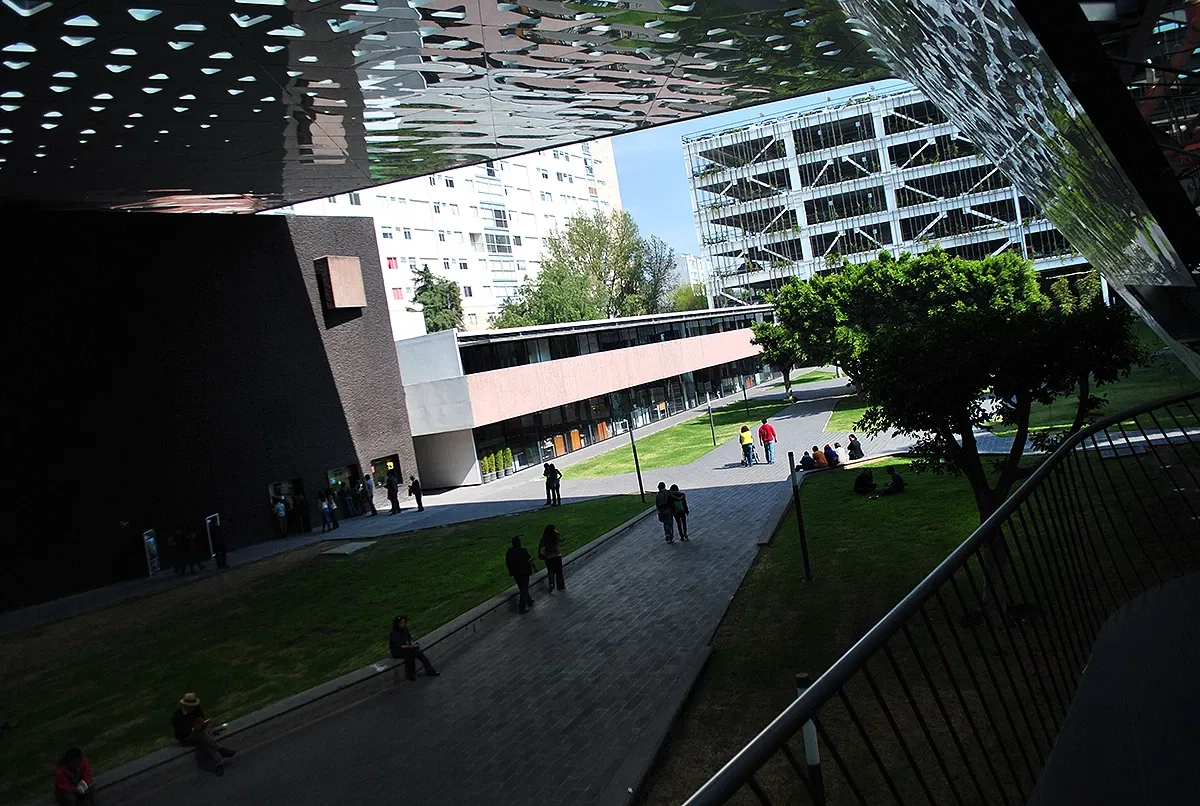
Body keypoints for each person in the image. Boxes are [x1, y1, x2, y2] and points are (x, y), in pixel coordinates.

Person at [172, 693, 235, 775]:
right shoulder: (178, 716)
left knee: (202, 740)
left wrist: (203, 724)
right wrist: (193, 729)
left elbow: (202, 719)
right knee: (202, 736)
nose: (192, 708)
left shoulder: (196, 710)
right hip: (186, 737)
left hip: (199, 733)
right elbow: (180, 731)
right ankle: (220, 750)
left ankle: (217, 763)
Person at [389, 615, 439, 680]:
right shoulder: (394, 632)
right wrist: (409, 647)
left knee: (419, 652)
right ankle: (411, 674)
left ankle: (430, 671)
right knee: (410, 656)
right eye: (401, 623)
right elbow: (398, 645)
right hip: (397, 651)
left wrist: (412, 644)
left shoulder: (405, 628)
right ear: (397, 624)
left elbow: (409, 637)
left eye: (404, 622)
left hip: (406, 647)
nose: (403, 624)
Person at [505, 536, 535, 614]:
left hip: (515, 573)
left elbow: (508, 562)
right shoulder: (523, 551)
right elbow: (530, 560)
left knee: (522, 588)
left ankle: (529, 600)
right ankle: (522, 607)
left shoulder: (509, 552)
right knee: (524, 589)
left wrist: (510, 571)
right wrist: (534, 568)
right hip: (524, 572)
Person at [539, 524, 565, 593]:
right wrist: (557, 532)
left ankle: (551, 584)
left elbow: (541, 546)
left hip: (548, 557)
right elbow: (562, 539)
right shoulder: (555, 536)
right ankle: (560, 585)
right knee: (559, 571)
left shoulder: (544, 537)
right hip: (557, 556)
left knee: (550, 571)